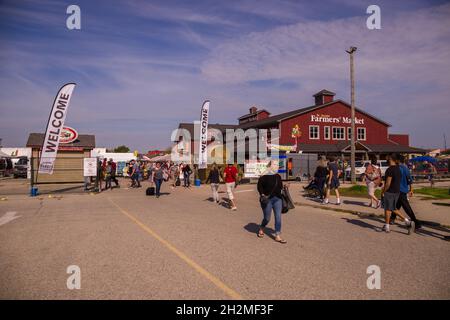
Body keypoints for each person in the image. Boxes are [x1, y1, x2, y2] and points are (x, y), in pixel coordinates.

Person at [381, 153, 415, 234]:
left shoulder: (390, 169)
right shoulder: (398, 169)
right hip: (397, 191)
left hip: (390, 191)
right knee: (390, 208)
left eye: (388, 158)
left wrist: (383, 191)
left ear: (391, 159)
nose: (387, 159)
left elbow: (388, 183)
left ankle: (407, 222)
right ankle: (387, 226)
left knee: (389, 208)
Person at [257, 161, 287, 244]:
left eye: (277, 165)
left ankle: (277, 235)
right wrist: (262, 194)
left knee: (278, 217)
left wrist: (285, 187)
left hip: (277, 199)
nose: (277, 166)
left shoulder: (278, 176)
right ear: (270, 166)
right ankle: (262, 227)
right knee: (267, 218)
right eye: (275, 165)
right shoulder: (264, 176)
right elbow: (259, 186)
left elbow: (280, 187)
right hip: (267, 200)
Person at [390, 155, 422, 229]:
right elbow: (410, 180)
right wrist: (411, 189)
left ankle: (416, 222)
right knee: (396, 205)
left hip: (399, 190)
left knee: (406, 207)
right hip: (404, 190)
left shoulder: (397, 168)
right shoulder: (405, 168)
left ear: (397, 161)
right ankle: (392, 218)